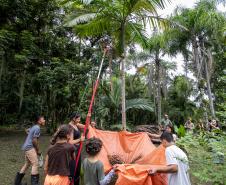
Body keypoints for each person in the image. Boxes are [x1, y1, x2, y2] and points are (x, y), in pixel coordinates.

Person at [14, 115, 46, 185]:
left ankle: (17, 182)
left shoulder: (34, 126)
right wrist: (38, 150)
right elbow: (34, 141)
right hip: (29, 147)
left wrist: (29, 134)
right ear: (39, 121)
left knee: (27, 163)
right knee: (35, 164)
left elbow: (27, 130)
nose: (44, 120)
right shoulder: (37, 128)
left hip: (26, 147)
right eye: (43, 119)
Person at [68, 112, 86, 185]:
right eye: (78, 119)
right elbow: (70, 142)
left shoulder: (76, 124)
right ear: (73, 119)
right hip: (73, 151)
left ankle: (76, 182)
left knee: (78, 169)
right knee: (73, 169)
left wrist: (91, 125)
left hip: (77, 149)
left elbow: (85, 126)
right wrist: (80, 139)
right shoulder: (70, 127)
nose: (79, 120)